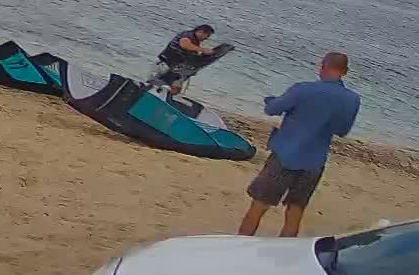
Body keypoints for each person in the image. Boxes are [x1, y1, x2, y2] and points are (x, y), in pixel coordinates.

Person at [239, 52, 361, 237]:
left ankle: (239, 247)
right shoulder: (352, 99)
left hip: (286, 156)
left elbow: (272, 109)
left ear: (323, 66)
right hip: (315, 162)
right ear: (345, 71)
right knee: (295, 214)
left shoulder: (303, 89)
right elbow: (342, 130)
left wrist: (271, 101)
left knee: (258, 207)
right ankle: (284, 256)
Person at [151, 23, 216, 98]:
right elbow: (184, 44)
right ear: (201, 31)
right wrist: (202, 50)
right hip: (165, 62)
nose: (206, 38)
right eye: (207, 35)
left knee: (175, 89)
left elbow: (191, 52)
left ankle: (163, 97)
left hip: (176, 67)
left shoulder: (195, 41)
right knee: (156, 83)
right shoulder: (188, 35)